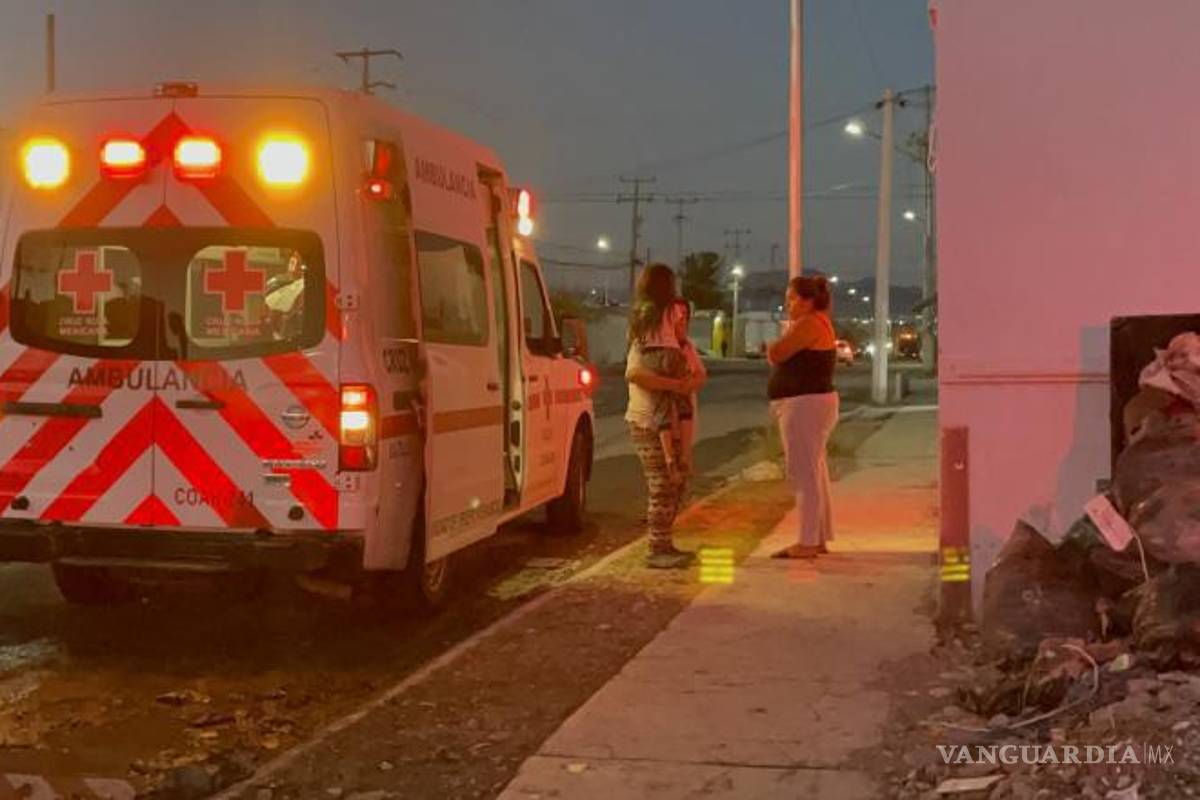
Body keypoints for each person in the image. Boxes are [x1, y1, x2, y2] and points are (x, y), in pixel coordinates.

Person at [626, 264, 700, 569]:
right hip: (645, 421)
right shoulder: (647, 337)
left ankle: (665, 543)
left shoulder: (644, 319)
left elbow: (698, 376)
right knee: (662, 485)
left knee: (675, 484)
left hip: (667, 417)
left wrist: (683, 384)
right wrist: (674, 384)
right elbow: (633, 373)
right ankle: (657, 549)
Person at [766, 275, 839, 559]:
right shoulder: (819, 323)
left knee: (804, 473)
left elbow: (777, 352)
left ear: (808, 301)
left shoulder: (809, 324)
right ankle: (817, 536)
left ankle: (808, 541)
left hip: (804, 405)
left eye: (792, 299)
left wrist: (778, 342)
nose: (788, 305)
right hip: (811, 403)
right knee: (814, 471)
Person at [629, 266, 694, 485]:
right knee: (684, 405)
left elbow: (635, 333)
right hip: (672, 353)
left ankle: (668, 457)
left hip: (650, 355)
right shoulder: (674, 307)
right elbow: (678, 330)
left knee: (661, 410)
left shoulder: (642, 310)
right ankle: (684, 456)